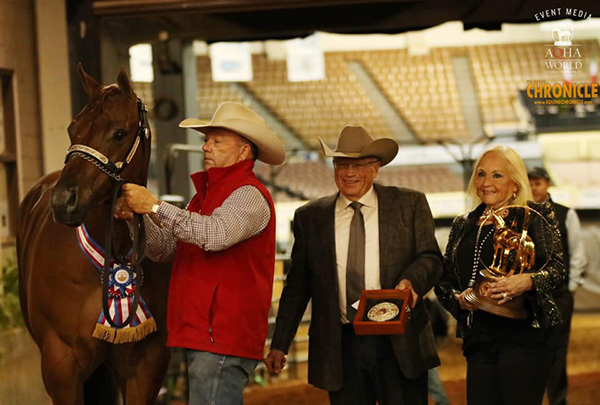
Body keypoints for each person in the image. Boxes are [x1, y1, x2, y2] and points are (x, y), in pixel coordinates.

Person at [116, 101, 285, 404]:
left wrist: (154, 206)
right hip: (206, 334)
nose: (206, 147)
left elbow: (215, 235)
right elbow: (165, 248)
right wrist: (135, 220)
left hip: (221, 336)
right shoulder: (205, 196)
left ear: (244, 151)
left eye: (216, 141)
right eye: (207, 140)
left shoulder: (249, 194)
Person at [264, 125, 443, 405]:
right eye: (342, 164)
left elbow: (430, 258)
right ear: (334, 167)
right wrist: (279, 343)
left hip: (398, 337)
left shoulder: (409, 204)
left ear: (375, 169)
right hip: (340, 343)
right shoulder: (310, 217)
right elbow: (298, 285)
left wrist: (410, 282)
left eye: (358, 165)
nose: (349, 173)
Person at [435, 145, 565, 405]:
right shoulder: (463, 224)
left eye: (497, 175)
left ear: (515, 183)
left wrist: (526, 281)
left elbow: (558, 270)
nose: (486, 183)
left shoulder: (535, 217)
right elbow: (443, 280)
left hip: (524, 336)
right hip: (478, 340)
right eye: (481, 174)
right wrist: (459, 300)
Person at [528, 166, 588, 405]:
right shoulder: (518, 213)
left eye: (538, 183)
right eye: (530, 183)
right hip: (528, 295)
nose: (533, 188)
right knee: (528, 351)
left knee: (557, 351)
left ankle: (557, 401)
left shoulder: (565, 214)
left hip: (559, 294)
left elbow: (578, 253)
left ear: (547, 184)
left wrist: (569, 287)